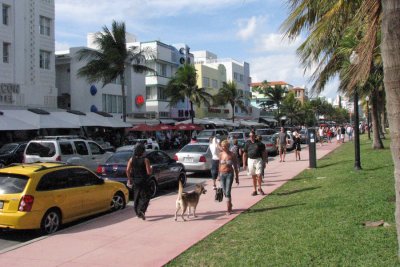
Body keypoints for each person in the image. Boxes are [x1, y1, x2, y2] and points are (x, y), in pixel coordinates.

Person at [126, 143, 152, 220]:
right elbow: (148, 172)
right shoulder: (145, 160)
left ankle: (137, 212)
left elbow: (127, 170)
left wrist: (129, 179)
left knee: (136, 196)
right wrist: (151, 168)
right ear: (142, 151)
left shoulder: (131, 159)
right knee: (146, 196)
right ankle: (141, 210)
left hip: (135, 180)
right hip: (144, 180)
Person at [218, 140, 239, 215]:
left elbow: (236, 167)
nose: (223, 148)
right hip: (222, 174)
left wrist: (237, 177)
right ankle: (230, 203)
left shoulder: (232, 155)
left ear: (228, 146)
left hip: (229, 174)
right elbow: (219, 165)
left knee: (227, 191)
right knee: (224, 191)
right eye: (222, 146)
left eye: (225, 146)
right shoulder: (220, 154)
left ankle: (228, 209)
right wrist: (218, 175)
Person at [242, 131, 267, 196]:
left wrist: (264, 161)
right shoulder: (247, 143)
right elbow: (244, 154)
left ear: (255, 136)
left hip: (258, 160)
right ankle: (255, 190)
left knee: (259, 174)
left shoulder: (260, 144)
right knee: (253, 176)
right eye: (250, 136)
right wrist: (244, 164)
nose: (251, 137)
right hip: (250, 160)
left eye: (252, 136)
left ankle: (260, 188)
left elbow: (264, 152)